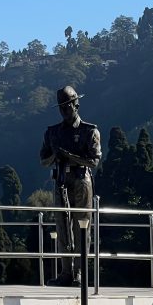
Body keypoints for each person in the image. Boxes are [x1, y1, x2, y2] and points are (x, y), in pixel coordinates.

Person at [39, 85, 102, 286]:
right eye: (61, 107)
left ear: (77, 104)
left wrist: (70, 156)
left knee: (82, 226)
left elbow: (94, 161)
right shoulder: (52, 132)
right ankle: (66, 272)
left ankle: (80, 272)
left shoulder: (89, 131)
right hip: (61, 181)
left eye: (68, 106)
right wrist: (54, 156)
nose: (65, 111)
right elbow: (43, 160)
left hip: (82, 180)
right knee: (62, 225)